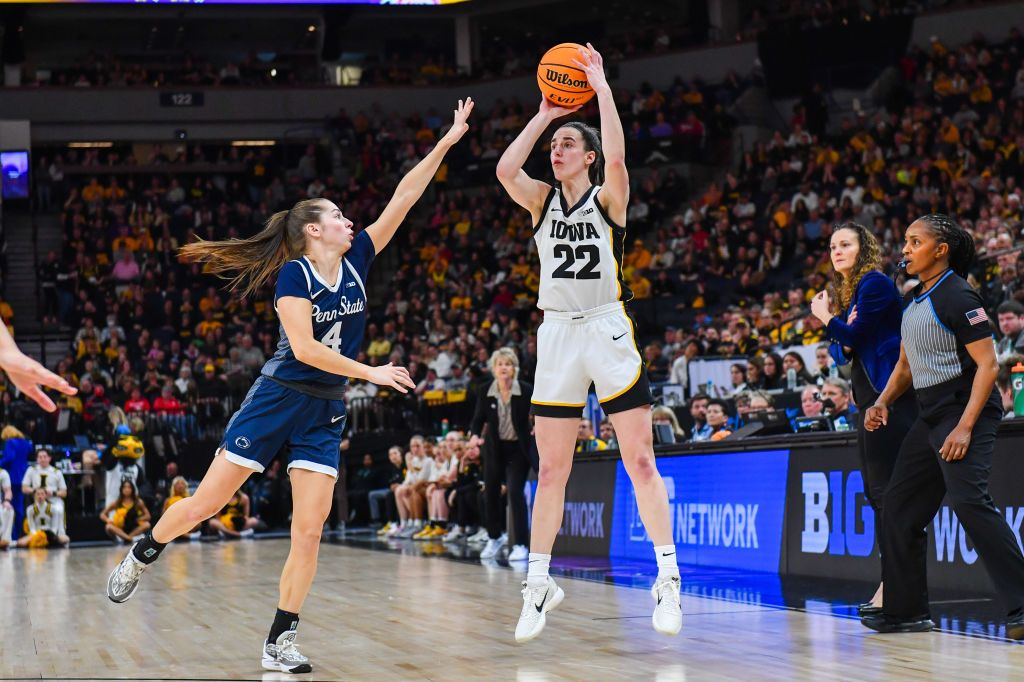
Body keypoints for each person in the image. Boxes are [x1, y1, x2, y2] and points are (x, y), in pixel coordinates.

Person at [105, 97, 473, 674]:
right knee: (207, 503)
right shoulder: (294, 273)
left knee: (309, 533)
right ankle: (145, 549)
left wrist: (448, 142)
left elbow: (405, 196)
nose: (351, 221)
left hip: (325, 411)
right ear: (313, 229)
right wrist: (373, 373)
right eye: (339, 216)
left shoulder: (359, 259)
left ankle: (279, 640)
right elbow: (304, 349)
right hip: (278, 397)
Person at [497, 44, 680, 642]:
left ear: (591, 157)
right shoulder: (540, 202)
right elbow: (504, 169)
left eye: (568, 144)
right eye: (555, 147)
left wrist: (600, 90)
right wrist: (545, 116)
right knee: (551, 471)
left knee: (640, 461)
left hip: (606, 327)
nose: (556, 151)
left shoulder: (608, 198)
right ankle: (538, 582)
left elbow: (621, 154)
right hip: (556, 335)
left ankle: (667, 578)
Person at [863, 214, 1024, 639]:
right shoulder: (915, 298)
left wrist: (965, 427)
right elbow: (904, 365)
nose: (905, 250)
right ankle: (906, 611)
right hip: (930, 413)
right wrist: (882, 401)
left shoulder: (960, 296)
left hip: (964, 407)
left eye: (915, 242)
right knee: (898, 507)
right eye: (906, 241)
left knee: (969, 502)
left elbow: (989, 367)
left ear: (941, 250)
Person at [811, 222, 918, 615]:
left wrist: (826, 318)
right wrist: (839, 323)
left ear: (864, 249)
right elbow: (841, 354)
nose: (836, 251)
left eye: (845, 244)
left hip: (887, 397)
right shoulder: (851, 290)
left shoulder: (873, 283)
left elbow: (851, 340)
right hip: (868, 398)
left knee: (886, 494)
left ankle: (895, 585)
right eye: (832, 245)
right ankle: (891, 582)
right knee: (878, 494)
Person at [469, 347, 533, 562]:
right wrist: (474, 436)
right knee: (491, 493)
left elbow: (537, 414)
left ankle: (522, 544)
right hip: (494, 448)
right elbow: (478, 419)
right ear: (494, 369)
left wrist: (537, 426)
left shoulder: (525, 390)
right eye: (500, 364)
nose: (504, 367)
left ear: (514, 368)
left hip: (518, 449)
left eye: (508, 364)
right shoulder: (485, 390)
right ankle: (494, 537)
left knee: (515, 493)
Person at [21, 449, 68, 540]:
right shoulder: (31, 470)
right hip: (38, 499)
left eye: (45, 457)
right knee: (31, 510)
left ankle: (59, 534)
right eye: (40, 457)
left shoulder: (56, 472)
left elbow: (64, 492)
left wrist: (53, 493)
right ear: (37, 459)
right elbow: (24, 488)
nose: (42, 459)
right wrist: (36, 491)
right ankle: (34, 534)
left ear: (49, 458)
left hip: (53, 499)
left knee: (59, 508)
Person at [101, 479, 152, 544]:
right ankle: (128, 538)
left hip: (134, 527)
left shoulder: (138, 502)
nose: (127, 489)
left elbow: (148, 516)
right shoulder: (117, 502)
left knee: (147, 524)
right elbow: (102, 514)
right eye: (124, 487)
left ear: (132, 489)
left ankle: (128, 537)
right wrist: (108, 520)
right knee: (108, 527)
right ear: (121, 489)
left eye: (129, 487)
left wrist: (138, 519)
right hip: (121, 528)